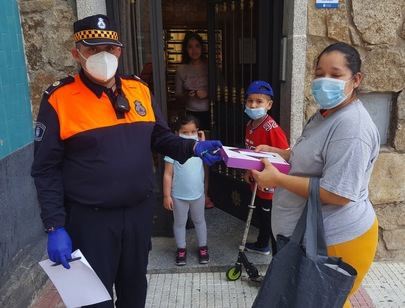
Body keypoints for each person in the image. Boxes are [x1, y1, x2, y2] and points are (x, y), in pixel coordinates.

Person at [31, 14, 222, 308]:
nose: (103, 56)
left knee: (134, 292)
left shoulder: (139, 89)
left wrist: (193, 147)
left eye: (110, 48)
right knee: (93, 301)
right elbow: (45, 169)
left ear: (120, 50)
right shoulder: (59, 98)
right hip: (90, 220)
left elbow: (160, 137)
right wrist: (55, 226)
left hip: (138, 214)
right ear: (77, 53)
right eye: (93, 50)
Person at [252, 42, 380, 308]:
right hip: (305, 237)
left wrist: (277, 180)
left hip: (334, 239)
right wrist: (280, 153)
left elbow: (338, 193)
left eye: (335, 75)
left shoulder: (352, 127)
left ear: (356, 80)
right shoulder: (325, 114)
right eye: (319, 73)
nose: (324, 81)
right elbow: (310, 157)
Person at [242, 81, 289, 256]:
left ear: (268, 105)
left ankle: (278, 257)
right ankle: (262, 245)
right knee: (261, 215)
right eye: (250, 101)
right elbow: (250, 152)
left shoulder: (272, 129)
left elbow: (285, 156)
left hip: (269, 184)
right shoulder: (250, 125)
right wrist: (248, 170)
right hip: (257, 180)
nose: (253, 105)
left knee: (270, 219)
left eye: (259, 101)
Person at [175, 31, 215, 209]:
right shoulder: (181, 69)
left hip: (210, 116)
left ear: (202, 48)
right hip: (191, 117)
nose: (194, 50)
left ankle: (205, 194)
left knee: (206, 156)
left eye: (197, 46)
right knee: (193, 156)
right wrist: (186, 94)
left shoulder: (210, 67)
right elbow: (176, 95)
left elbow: (222, 88)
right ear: (185, 49)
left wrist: (207, 93)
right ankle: (192, 194)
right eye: (190, 46)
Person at [163, 115, 209, 266]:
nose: (190, 135)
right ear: (177, 133)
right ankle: (181, 249)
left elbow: (208, 155)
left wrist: (203, 140)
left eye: (193, 131)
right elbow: (168, 174)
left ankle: (203, 247)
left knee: (199, 221)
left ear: (198, 131)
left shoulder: (200, 148)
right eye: (185, 132)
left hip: (198, 194)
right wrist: (166, 195)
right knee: (179, 223)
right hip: (178, 196)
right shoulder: (173, 150)